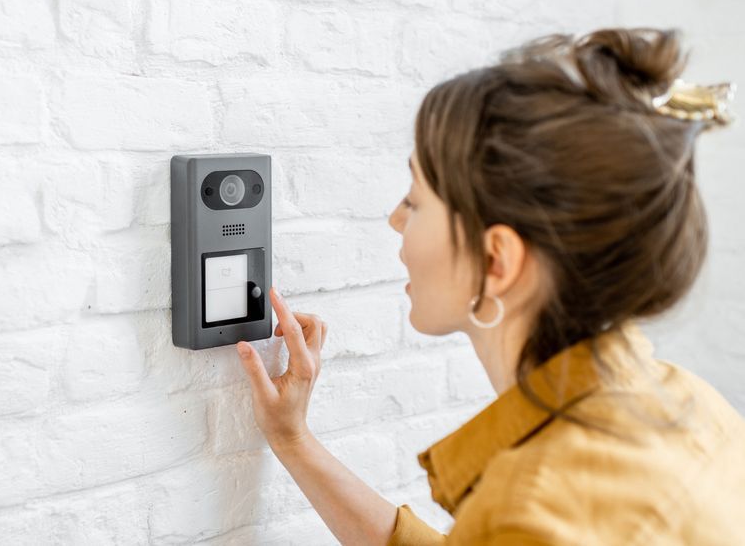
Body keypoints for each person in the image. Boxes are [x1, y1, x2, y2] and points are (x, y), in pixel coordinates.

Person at [235, 27, 745, 545]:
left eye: (415, 200)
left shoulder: (530, 509)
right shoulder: (693, 405)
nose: (395, 219)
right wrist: (293, 439)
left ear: (495, 259)